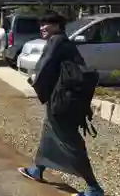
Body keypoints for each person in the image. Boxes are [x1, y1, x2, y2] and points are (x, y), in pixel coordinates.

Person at [17, 11, 103, 196]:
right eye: (41, 25)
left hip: (63, 102)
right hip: (65, 99)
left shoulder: (57, 41)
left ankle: (94, 188)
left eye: (47, 24)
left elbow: (44, 66)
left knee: (70, 142)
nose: (42, 28)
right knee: (49, 134)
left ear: (58, 26)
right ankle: (38, 170)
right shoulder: (63, 41)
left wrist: (35, 83)